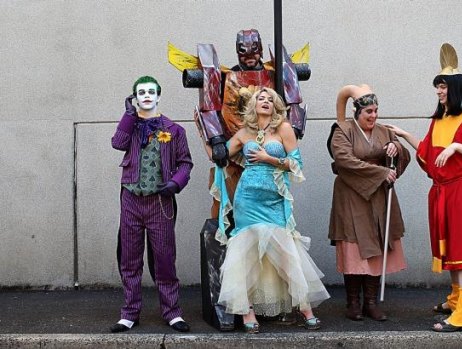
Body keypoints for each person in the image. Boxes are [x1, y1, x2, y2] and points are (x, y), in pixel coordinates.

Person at [388, 43, 462, 332]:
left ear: (456, 88)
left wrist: (458, 147)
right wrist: (404, 134)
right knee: (448, 248)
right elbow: (427, 155)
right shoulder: (439, 120)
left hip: (460, 191)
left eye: (443, 87)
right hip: (440, 192)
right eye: (437, 87)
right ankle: (454, 300)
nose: (438, 92)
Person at [211, 87, 329, 333]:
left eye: (270, 100)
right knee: (247, 253)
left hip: (275, 200)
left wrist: (269, 159)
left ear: (276, 106)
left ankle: (305, 308)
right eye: (260, 99)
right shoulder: (244, 133)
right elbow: (219, 156)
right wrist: (210, 135)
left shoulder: (284, 129)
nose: (265, 102)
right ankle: (247, 312)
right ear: (253, 106)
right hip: (248, 200)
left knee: (287, 250)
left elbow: (297, 164)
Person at [110, 76, 193, 333]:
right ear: (135, 97)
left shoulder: (175, 129)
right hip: (132, 200)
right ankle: (130, 313)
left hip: (160, 201)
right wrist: (128, 116)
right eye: (141, 92)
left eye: (150, 92)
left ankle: (172, 312)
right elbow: (117, 143)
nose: (146, 96)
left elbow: (185, 163)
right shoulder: (131, 126)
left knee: (164, 258)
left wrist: (175, 183)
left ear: (158, 96)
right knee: (130, 258)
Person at [327, 84, 410, 322]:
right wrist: (379, 173)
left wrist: (396, 149)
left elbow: (403, 155)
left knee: (376, 244)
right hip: (351, 195)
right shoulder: (342, 130)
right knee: (353, 248)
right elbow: (343, 160)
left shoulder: (384, 131)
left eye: (375, 111)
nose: (373, 116)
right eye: (368, 112)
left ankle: (370, 302)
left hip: (379, 197)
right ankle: (353, 302)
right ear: (357, 113)